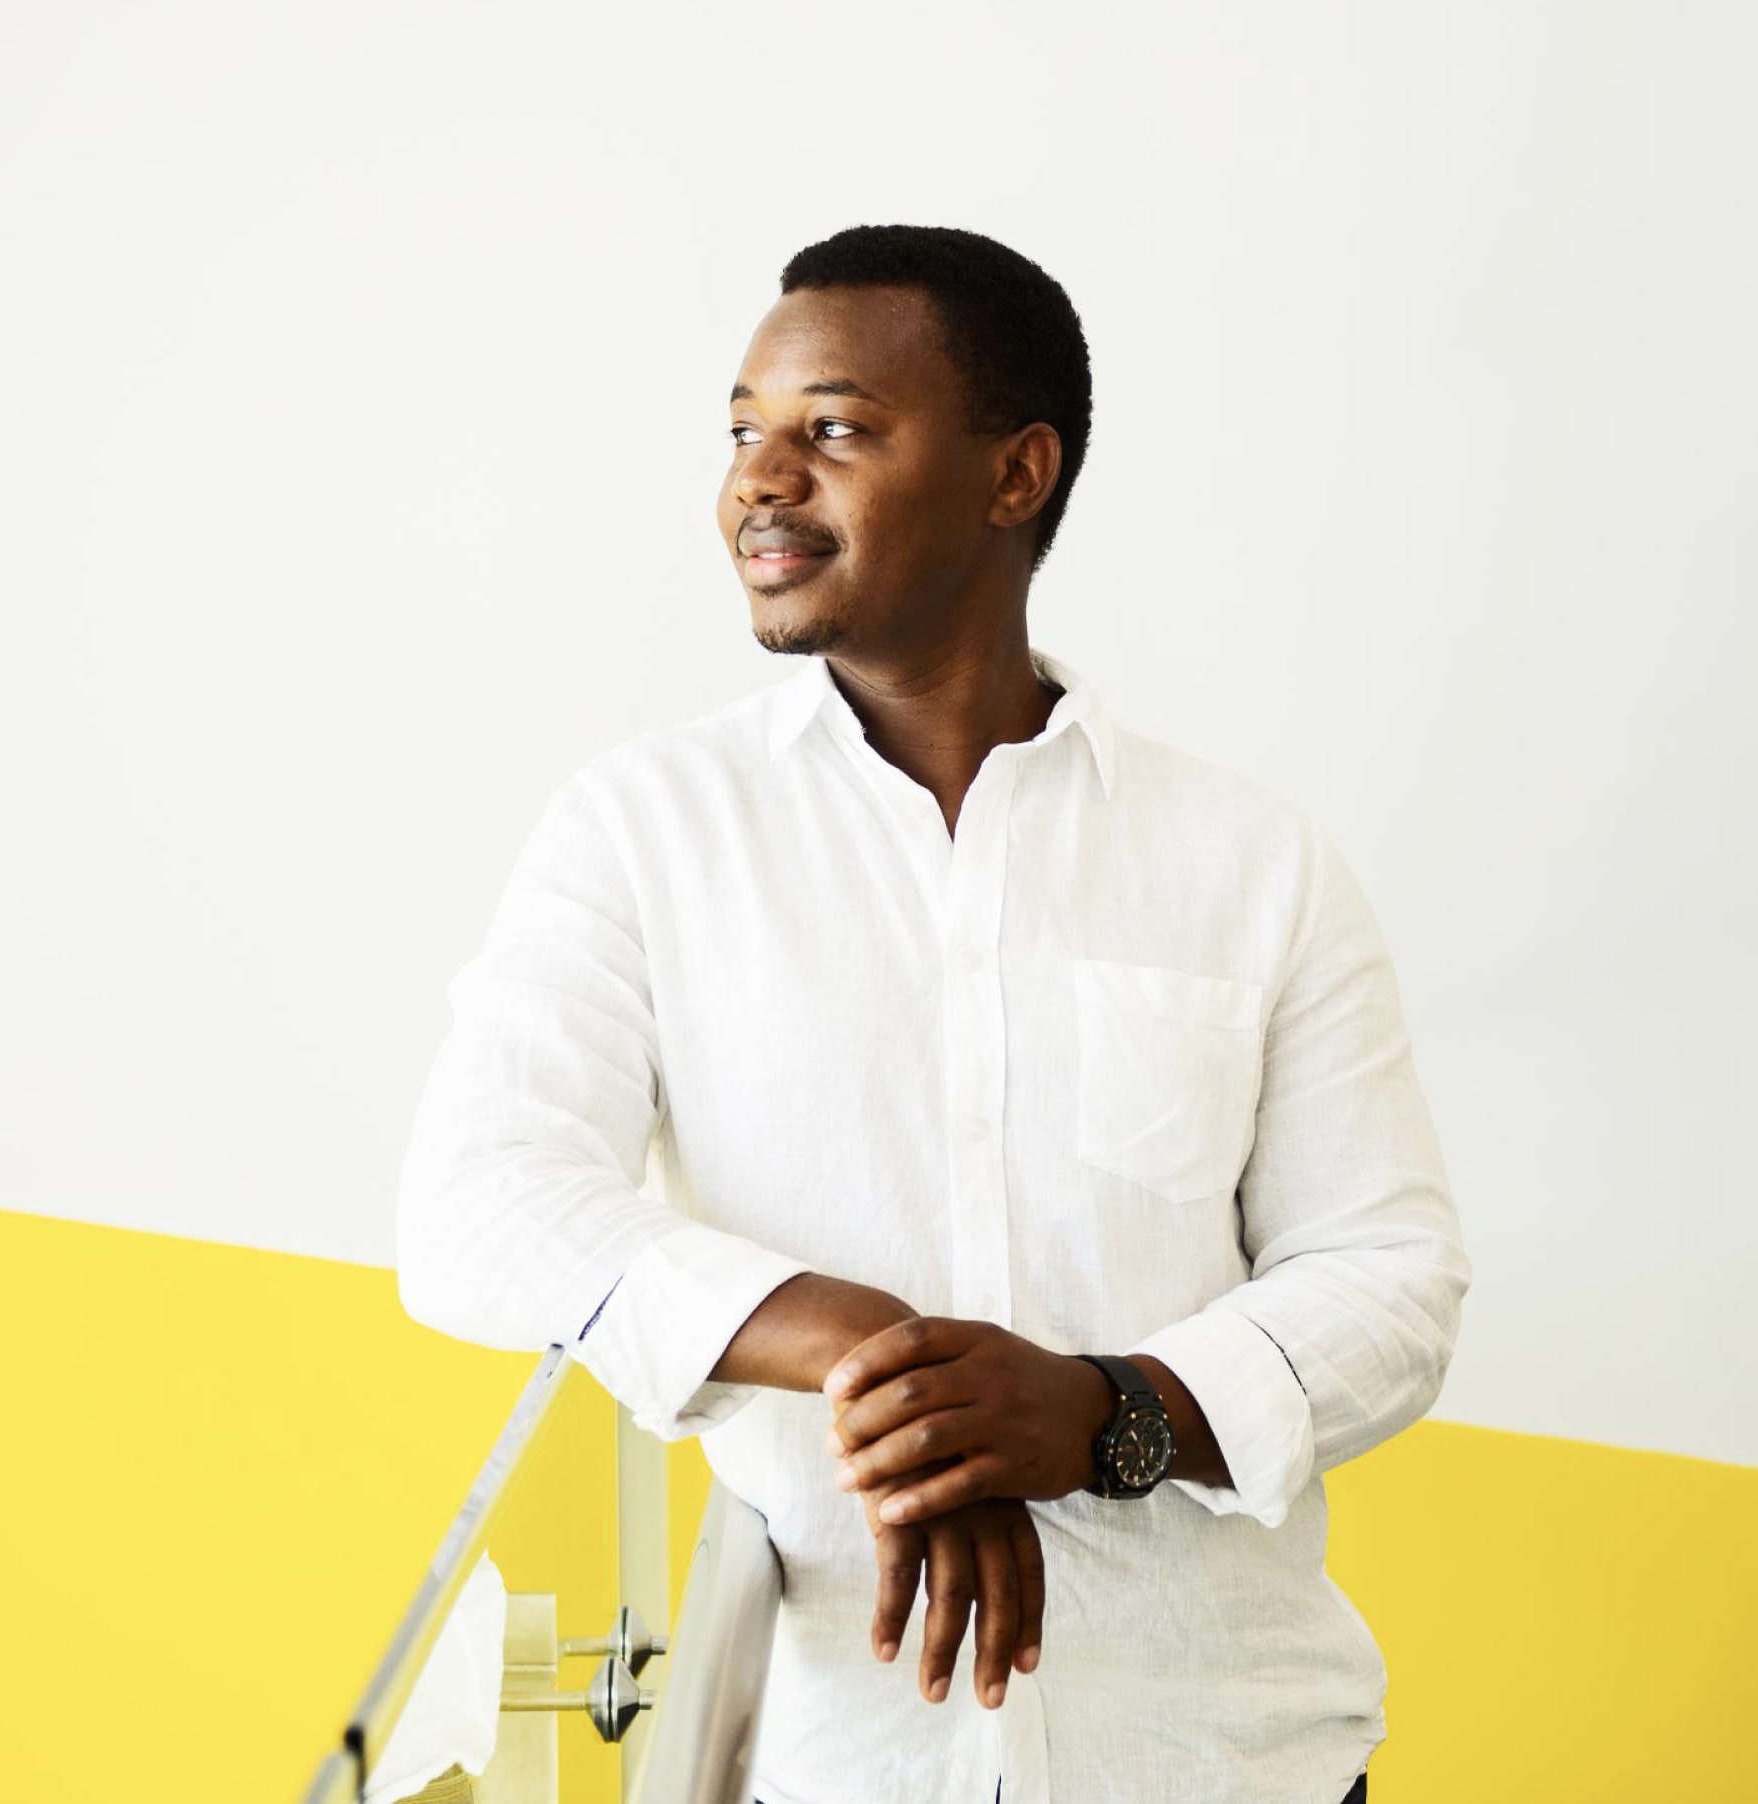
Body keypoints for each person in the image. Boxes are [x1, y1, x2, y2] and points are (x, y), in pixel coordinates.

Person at [396, 223, 1471, 1804]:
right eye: (743, 432)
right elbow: (478, 1206)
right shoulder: (641, 830)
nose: (760, 481)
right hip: (838, 1755)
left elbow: (1390, 1283)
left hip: (1229, 1759)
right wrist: (877, 1359)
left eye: (833, 429)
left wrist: (1104, 1415)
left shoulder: (1254, 862)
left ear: (1014, 474)